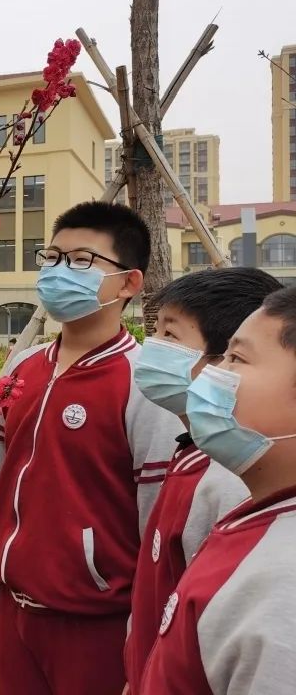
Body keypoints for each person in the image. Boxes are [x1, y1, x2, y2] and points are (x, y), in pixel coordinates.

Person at [0, 201, 184, 695]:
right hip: (17, 613)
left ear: (129, 283)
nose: (61, 272)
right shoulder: (19, 370)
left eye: (82, 261)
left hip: (101, 624)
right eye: (53, 258)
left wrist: (147, 630)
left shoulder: (144, 382)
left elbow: (157, 520)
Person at [123, 268, 281, 695]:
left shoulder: (229, 481)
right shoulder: (190, 455)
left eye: (170, 337)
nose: (150, 349)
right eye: (153, 332)